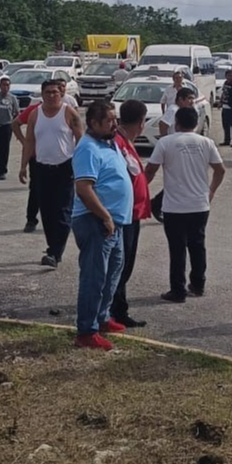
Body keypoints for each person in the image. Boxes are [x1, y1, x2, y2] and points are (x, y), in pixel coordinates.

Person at [145, 106, 225, 303]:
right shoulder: (206, 142)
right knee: (198, 245)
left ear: (176, 123)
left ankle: (177, 289)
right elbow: (220, 170)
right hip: (199, 204)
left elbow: (150, 170)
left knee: (177, 248)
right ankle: (198, 285)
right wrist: (211, 191)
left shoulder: (166, 143)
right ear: (196, 123)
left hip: (174, 206)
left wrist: (138, 191)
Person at [71, 100, 133, 350]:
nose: (114, 123)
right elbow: (84, 188)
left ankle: (102, 317)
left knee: (112, 274)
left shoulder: (109, 143)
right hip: (96, 221)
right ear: (93, 123)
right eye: (109, 120)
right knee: (94, 277)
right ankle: (87, 330)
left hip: (114, 223)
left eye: (114, 118)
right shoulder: (87, 148)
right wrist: (105, 216)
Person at [19, 78, 82, 268]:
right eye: (48, 92)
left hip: (65, 167)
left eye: (56, 92)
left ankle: (55, 252)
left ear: (61, 94)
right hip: (41, 168)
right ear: (42, 94)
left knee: (63, 211)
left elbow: (81, 140)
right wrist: (23, 166)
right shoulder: (35, 114)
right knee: (47, 212)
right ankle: (53, 247)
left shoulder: (69, 113)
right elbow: (30, 141)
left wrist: (81, 165)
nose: (52, 95)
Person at [110, 98, 151, 329]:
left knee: (126, 264)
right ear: (141, 122)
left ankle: (118, 308)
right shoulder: (118, 143)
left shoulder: (126, 141)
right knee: (121, 264)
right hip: (124, 214)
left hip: (133, 213)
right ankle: (116, 309)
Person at [13, 96, 42, 232]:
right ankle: (31, 219)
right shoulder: (34, 111)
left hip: (60, 160)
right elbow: (15, 123)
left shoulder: (66, 111)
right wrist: (24, 141)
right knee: (36, 189)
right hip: (37, 157)